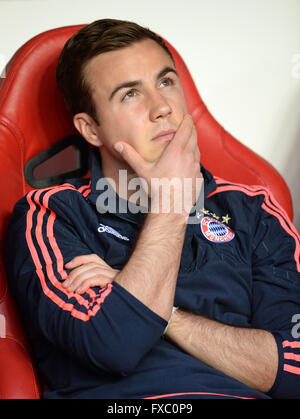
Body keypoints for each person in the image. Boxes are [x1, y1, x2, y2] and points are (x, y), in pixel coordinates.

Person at [5, 18, 300, 399]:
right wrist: (173, 204)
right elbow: (113, 343)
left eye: (165, 82)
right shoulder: (50, 215)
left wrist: (163, 316)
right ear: (90, 129)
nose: (161, 107)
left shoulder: (254, 210)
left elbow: (294, 372)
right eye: (130, 94)